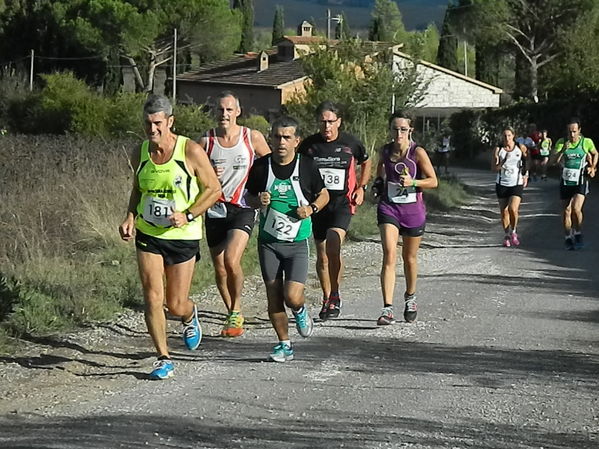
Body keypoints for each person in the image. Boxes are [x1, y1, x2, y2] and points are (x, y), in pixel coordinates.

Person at [119, 95, 221, 380]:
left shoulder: (189, 150)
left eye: (158, 124)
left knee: (175, 304)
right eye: (148, 124)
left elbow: (213, 189)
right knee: (152, 296)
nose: (152, 130)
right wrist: (130, 216)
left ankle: (189, 315)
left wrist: (188, 214)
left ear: (170, 122)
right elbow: (139, 189)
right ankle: (163, 357)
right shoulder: (139, 152)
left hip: (182, 235)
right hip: (149, 233)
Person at [245, 116, 329, 361]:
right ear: (270, 139)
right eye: (277, 137)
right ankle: (284, 344)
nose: (281, 142)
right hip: (269, 242)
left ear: (296, 141)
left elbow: (324, 195)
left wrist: (311, 209)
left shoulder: (307, 166)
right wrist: (257, 200)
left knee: (292, 296)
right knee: (273, 294)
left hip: (297, 243)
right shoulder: (261, 167)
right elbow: (248, 198)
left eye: (286, 137)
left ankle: (300, 310)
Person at [197, 91, 270, 337]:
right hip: (215, 208)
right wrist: (205, 176)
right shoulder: (206, 141)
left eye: (229, 110)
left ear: (238, 112)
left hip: (244, 207)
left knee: (231, 260)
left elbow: (271, 165)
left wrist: (263, 191)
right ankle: (232, 313)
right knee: (219, 268)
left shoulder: (251, 137)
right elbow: (191, 171)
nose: (224, 114)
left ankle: (237, 309)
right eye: (220, 110)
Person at [298, 100, 372, 320]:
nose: (326, 127)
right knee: (321, 256)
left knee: (333, 244)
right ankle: (326, 296)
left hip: (342, 204)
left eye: (331, 122)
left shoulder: (351, 143)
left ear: (339, 121)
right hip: (318, 205)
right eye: (322, 122)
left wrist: (361, 187)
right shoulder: (309, 145)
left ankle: (336, 294)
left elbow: (366, 162)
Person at [371, 111, 437, 325]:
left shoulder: (417, 153)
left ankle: (410, 298)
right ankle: (387, 308)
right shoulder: (385, 150)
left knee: (409, 258)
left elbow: (433, 181)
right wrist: (378, 184)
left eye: (403, 129)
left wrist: (414, 183)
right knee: (389, 254)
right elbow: (380, 171)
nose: (398, 133)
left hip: (413, 211)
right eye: (395, 129)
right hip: (389, 208)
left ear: (410, 130)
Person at [552, 118, 598, 250]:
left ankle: (577, 233)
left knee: (576, 209)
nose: (572, 135)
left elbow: (595, 154)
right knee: (566, 210)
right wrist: (562, 151)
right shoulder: (562, 142)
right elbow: (552, 161)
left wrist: (593, 167)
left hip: (580, 180)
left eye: (574, 131)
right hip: (566, 181)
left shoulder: (586, 142)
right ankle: (568, 237)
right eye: (569, 132)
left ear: (579, 131)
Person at [492, 127, 529, 247]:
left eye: (509, 135)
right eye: (504, 136)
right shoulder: (498, 150)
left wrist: (526, 175)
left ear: (513, 135)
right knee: (504, 212)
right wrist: (503, 162)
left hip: (516, 183)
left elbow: (526, 161)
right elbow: (494, 168)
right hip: (502, 183)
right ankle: (507, 235)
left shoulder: (520, 147)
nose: (507, 138)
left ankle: (514, 232)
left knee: (513, 209)